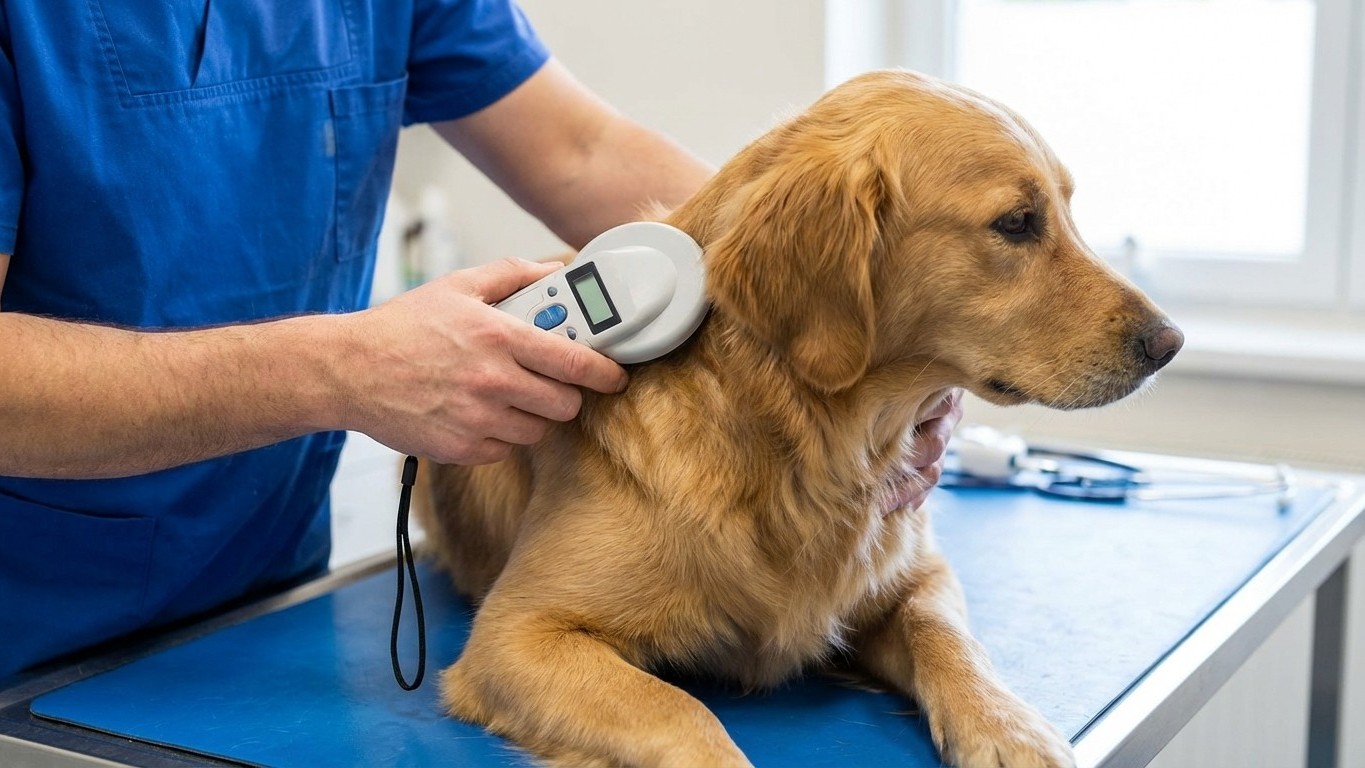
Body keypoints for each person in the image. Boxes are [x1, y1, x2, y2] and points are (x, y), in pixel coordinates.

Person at [0, 0, 962, 681]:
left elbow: (582, 153)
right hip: (26, 625)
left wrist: (841, 312)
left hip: (257, 612)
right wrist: (342, 369)